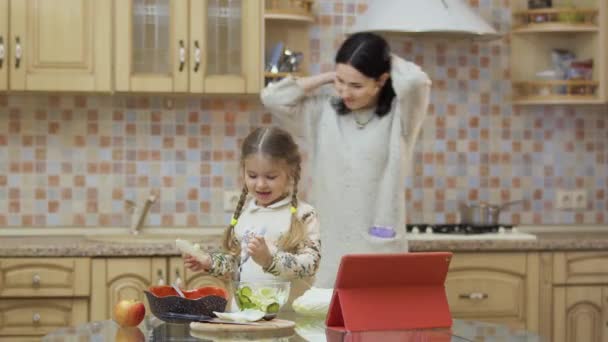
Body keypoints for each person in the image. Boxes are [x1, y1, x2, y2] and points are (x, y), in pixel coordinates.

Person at [260, 32, 431, 288]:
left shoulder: (401, 116)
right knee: (327, 324)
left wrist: (384, 57)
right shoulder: (324, 111)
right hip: (328, 250)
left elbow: (417, 82)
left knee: (382, 323)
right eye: (340, 81)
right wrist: (329, 77)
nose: (345, 92)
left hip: (380, 249)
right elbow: (272, 97)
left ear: (382, 80)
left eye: (356, 85)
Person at [183, 126, 321, 308]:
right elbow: (237, 265)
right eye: (252, 175)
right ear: (243, 171)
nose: (261, 184)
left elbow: (310, 264)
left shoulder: (304, 214)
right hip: (244, 319)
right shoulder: (245, 214)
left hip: (286, 321)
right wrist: (209, 262)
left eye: (271, 176)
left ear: (290, 173)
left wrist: (270, 260)